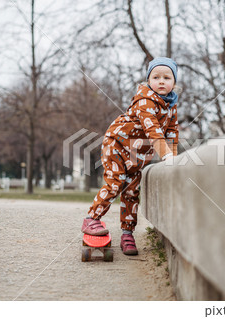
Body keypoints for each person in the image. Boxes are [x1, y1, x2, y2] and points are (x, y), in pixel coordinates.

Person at [81, 57, 179, 255]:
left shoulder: (171, 106)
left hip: (137, 154)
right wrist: (166, 155)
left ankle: (127, 234)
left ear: (174, 82)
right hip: (117, 144)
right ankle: (92, 218)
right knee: (115, 182)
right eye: (156, 77)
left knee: (132, 191)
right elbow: (153, 130)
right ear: (148, 80)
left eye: (167, 77)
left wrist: (173, 158)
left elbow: (171, 132)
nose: (161, 81)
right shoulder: (145, 100)